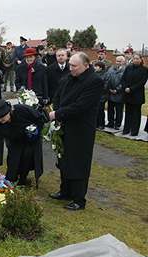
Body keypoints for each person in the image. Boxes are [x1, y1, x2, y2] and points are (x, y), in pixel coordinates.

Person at [49, 52, 104, 211]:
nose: (70, 68)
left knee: (78, 162)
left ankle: (79, 199)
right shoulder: (69, 77)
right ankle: (65, 191)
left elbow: (81, 106)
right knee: (64, 159)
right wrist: (56, 109)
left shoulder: (94, 81)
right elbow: (58, 95)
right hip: (65, 124)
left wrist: (57, 114)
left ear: (86, 66)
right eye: (69, 64)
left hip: (81, 129)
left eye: (74, 65)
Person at [0, 99, 47, 185]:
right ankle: (12, 179)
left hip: (30, 139)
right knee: (13, 162)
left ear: (9, 111)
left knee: (26, 158)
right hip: (14, 141)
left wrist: (36, 130)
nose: (1, 120)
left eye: (3, 117)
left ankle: (23, 180)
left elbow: (40, 118)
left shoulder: (22, 110)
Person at [121, 54, 148, 137]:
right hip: (127, 94)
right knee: (128, 113)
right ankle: (126, 129)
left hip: (137, 95)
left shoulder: (144, 69)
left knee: (136, 114)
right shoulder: (128, 67)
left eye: (137, 58)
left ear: (140, 60)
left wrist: (131, 89)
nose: (135, 60)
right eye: (134, 58)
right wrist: (125, 87)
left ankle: (134, 131)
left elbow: (142, 82)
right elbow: (123, 78)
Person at [106, 56, 126, 130]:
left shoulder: (125, 70)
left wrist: (117, 90)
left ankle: (117, 124)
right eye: (117, 61)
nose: (118, 63)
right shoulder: (111, 69)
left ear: (123, 62)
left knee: (119, 110)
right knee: (110, 109)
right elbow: (107, 78)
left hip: (119, 93)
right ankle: (110, 122)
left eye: (120, 61)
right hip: (110, 92)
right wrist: (110, 89)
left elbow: (124, 81)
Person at [93, 61, 108, 130]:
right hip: (95, 95)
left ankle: (101, 124)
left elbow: (105, 85)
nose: (95, 67)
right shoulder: (94, 73)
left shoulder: (105, 74)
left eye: (96, 66)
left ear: (101, 67)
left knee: (101, 110)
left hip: (102, 96)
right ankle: (96, 124)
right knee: (96, 111)